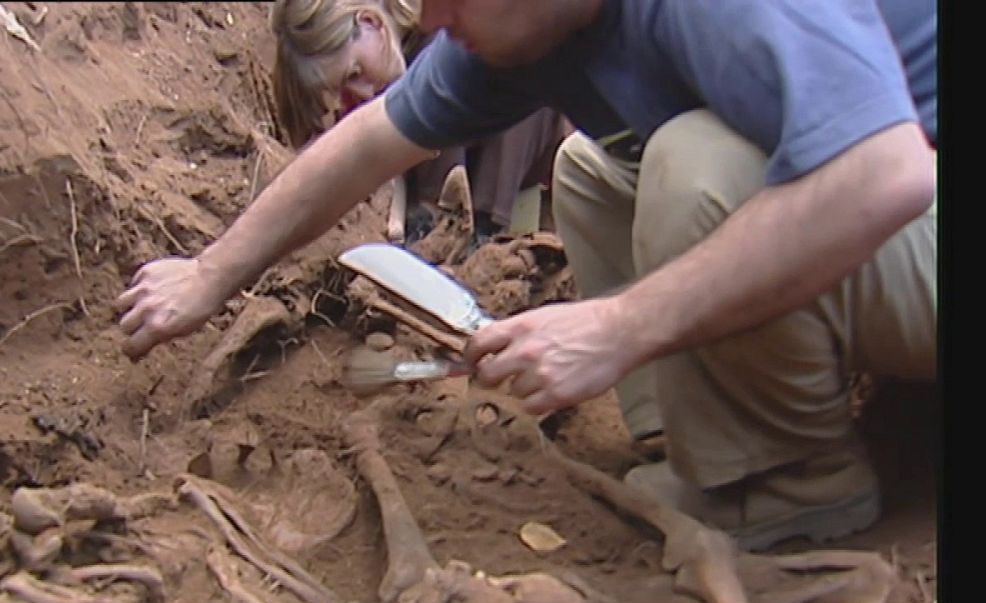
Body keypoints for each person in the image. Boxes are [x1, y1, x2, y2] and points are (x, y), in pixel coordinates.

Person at [115, 0, 937, 552]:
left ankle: (793, 483)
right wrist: (211, 273)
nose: (433, 17)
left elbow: (885, 171)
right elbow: (368, 145)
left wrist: (616, 329)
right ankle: (704, 439)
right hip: (895, 237)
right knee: (593, 168)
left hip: (913, 201)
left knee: (694, 162)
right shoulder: (526, 30)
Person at [270, 0, 568, 248]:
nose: (361, 91)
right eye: (345, 89)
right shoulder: (384, 73)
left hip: (526, 181)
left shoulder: (452, 28)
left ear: (372, 22)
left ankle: (466, 236)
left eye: (355, 73)